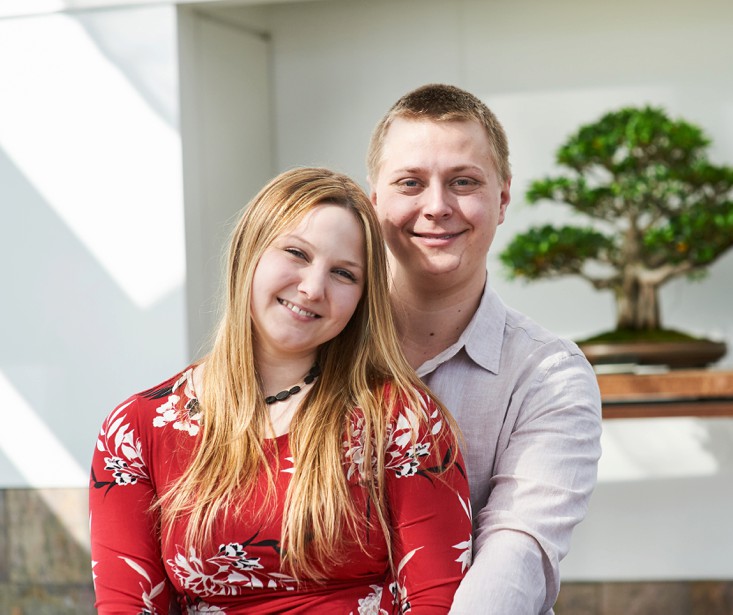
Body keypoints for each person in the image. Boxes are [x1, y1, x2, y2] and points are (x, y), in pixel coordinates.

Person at [89, 167, 471, 614]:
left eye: (344, 274)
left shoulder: (403, 419)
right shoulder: (135, 430)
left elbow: (438, 602)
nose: (312, 288)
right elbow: (127, 606)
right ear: (248, 251)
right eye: (296, 253)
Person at [367, 84, 603, 614]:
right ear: (373, 201)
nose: (437, 207)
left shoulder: (549, 375)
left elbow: (516, 553)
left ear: (502, 200)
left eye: (463, 182)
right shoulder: (316, 345)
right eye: (410, 182)